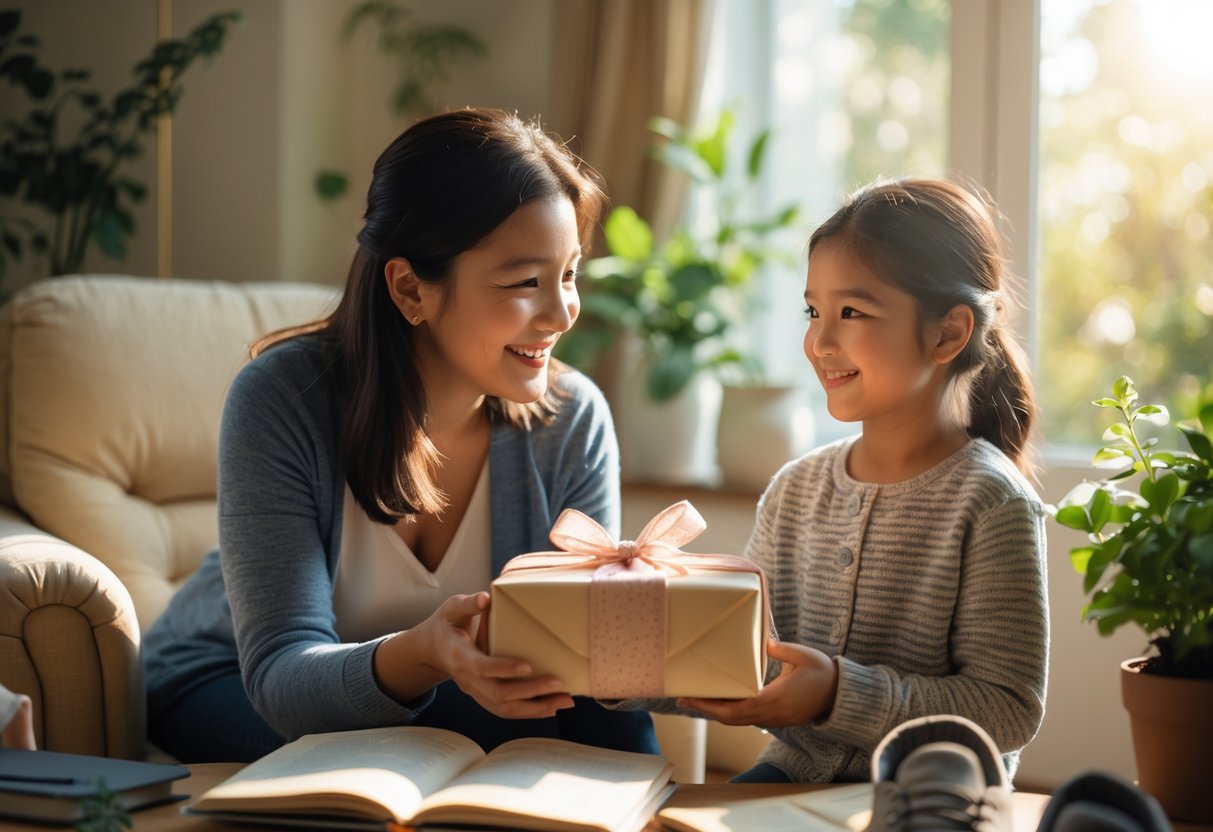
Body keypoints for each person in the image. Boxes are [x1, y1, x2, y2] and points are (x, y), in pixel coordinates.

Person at [142, 107, 656, 763]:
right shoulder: (282, 399)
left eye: (568, 274)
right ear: (411, 289)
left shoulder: (571, 419)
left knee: (569, 718)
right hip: (224, 678)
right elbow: (280, 676)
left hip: (448, 695)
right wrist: (423, 653)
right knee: (474, 722)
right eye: (525, 282)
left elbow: (585, 662)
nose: (560, 314)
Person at [628, 177, 1049, 783]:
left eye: (851, 312)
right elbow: (745, 663)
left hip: (931, 798)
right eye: (813, 311)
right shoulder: (796, 489)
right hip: (789, 779)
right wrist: (610, 668)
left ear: (947, 333)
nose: (819, 341)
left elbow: (1007, 711)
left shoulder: (992, 502)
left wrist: (836, 695)